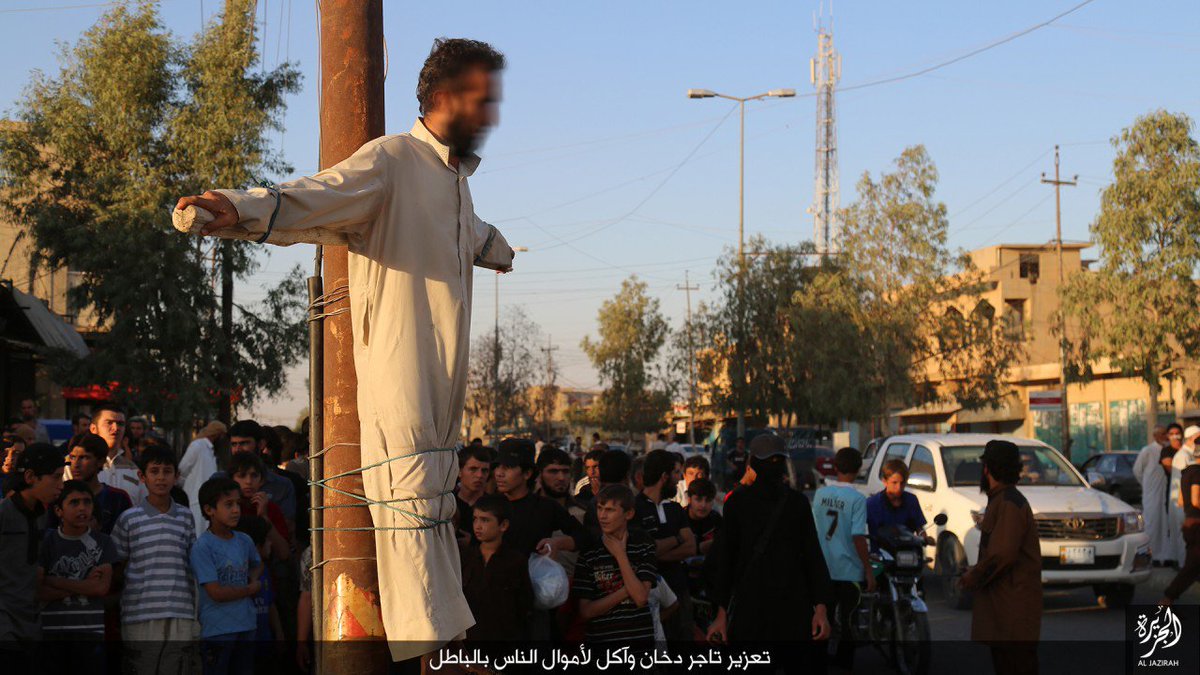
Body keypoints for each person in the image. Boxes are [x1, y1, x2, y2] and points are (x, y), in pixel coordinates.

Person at [177, 37, 514, 660]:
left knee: (434, 507)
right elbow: (316, 197)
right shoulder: (391, 160)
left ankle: (452, 651)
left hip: (443, 398)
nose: (488, 116)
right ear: (442, 97)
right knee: (411, 512)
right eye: (478, 99)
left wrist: (499, 249)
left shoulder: (455, 184)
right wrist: (237, 208)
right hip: (403, 383)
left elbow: (472, 233)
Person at [706, 435, 832, 670]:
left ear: (751, 462)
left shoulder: (736, 503)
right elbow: (813, 556)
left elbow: (726, 561)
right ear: (785, 463)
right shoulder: (798, 503)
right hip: (793, 610)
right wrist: (821, 608)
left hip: (750, 612)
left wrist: (720, 613)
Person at [112, 445, 198, 675]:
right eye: (155, 471)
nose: (161, 477)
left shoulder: (186, 517)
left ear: (176, 477)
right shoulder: (129, 519)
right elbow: (117, 567)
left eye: (167, 471)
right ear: (142, 476)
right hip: (140, 614)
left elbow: (192, 562)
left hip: (180, 611)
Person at [959, 440, 1041, 675]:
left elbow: (1002, 554)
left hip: (1013, 608)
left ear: (988, 469)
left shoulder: (1008, 503)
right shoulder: (1002, 500)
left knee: (1016, 666)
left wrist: (972, 575)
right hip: (1006, 607)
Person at [38, 480, 119, 673]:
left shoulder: (103, 543)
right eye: (74, 503)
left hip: (90, 634)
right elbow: (38, 591)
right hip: (51, 634)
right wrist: (84, 584)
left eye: (87, 502)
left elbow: (100, 588)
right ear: (59, 511)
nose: (82, 508)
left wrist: (53, 580)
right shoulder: (46, 542)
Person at [0, 443, 65, 669]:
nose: (61, 484)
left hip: (30, 624)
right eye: (55, 477)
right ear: (30, 476)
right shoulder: (4, 513)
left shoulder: (41, 516)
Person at [192, 476, 264, 675]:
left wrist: (254, 577)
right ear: (209, 510)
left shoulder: (244, 540)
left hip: (246, 624)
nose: (236, 510)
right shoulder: (203, 546)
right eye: (228, 504)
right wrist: (249, 589)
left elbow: (257, 564)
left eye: (238, 504)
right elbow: (215, 592)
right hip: (217, 630)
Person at [812, 448, 875, 671]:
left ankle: (819, 662)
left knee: (822, 617)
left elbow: (813, 529)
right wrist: (868, 568)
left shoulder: (820, 494)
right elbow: (858, 536)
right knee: (848, 620)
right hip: (849, 570)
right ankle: (843, 664)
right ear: (859, 470)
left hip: (823, 569)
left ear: (835, 467)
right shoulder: (858, 499)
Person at [572, 484, 657, 646]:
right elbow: (585, 611)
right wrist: (628, 589)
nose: (602, 516)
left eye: (610, 510)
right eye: (599, 508)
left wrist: (620, 555)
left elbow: (640, 598)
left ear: (629, 513)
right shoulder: (590, 553)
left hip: (638, 650)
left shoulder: (643, 545)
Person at [636, 449, 695, 641]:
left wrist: (657, 551)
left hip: (679, 591)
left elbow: (691, 547)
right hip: (648, 595)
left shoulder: (675, 508)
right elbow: (645, 550)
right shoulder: (634, 508)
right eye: (676, 473)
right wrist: (677, 539)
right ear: (664, 476)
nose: (679, 479)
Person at [459, 494, 533, 642]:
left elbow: (524, 604)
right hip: (469, 641)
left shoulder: (515, 561)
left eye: (485, 520)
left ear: (503, 525)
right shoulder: (465, 557)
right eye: (475, 519)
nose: (478, 526)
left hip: (504, 642)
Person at [54, 432, 133, 535]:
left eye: (84, 458)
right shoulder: (58, 496)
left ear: (100, 461)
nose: (76, 464)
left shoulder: (117, 499)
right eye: (72, 457)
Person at [228, 420, 297, 535]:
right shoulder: (220, 480)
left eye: (244, 443)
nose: (238, 449)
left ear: (261, 444)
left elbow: (287, 528)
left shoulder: (282, 485)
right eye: (234, 444)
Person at [227, 452, 291, 557]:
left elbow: (284, 553)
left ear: (261, 480)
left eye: (254, 476)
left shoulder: (270, 508)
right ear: (232, 479)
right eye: (242, 476)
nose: (248, 481)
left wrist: (264, 517)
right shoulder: (226, 508)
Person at [1134, 424, 1178, 566]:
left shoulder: (1170, 450)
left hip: (1166, 493)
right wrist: (1146, 486)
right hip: (1151, 494)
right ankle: (1151, 556)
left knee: (1166, 525)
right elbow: (1137, 471)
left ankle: (1165, 556)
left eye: (1166, 433)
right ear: (1155, 436)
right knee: (1152, 524)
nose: (1164, 436)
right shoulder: (1147, 451)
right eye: (1162, 433)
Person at [83, 404, 144, 503]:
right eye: (109, 423)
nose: (116, 428)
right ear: (93, 429)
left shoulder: (132, 469)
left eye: (120, 424)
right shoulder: (75, 465)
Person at [866, 459, 929, 551]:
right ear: (885, 481)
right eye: (894, 483)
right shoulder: (872, 504)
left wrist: (924, 538)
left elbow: (919, 526)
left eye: (902, 483)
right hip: (881, 556)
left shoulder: (911, 500)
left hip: (908, 555)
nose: (899, 487)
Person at [1161, 459, 1200, 605]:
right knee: (1192, 567)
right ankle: (1167, 599)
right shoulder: (1197, 473)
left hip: (1189, 523)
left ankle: (1168, 599)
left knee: (1192, 567)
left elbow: (1181, 501)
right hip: (1197, 525)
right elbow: (1196, 500)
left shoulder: (1187, 472)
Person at [181, 421, 228, 532]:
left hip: (207, 499)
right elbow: (182, 469)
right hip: (195, 499)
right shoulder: (197, 446)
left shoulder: (210, 450)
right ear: (217, 434)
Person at [1168, 425, 1200, 565]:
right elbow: (1184, 484)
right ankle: (1183, 566)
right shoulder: (1182, 456)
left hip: (1186, 504)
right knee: (1184, 539)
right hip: (1184, 505)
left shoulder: (1189, 455)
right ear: (1193, 438)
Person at [454, 444, 493, 543]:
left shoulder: (493, 506)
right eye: (473, 469)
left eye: (484, 471)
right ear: (459, 471)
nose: (479, 475)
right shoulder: (449, 504)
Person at [686, 478, 723, 557]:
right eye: (698, 499)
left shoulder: (716, 519)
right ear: (689, 499)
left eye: (708, 500)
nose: (703, 505)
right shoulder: (679, 518)